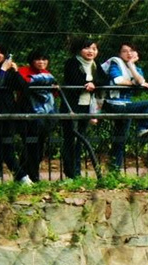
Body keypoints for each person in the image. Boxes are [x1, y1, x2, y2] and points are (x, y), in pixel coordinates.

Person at [101, 42, 148, 171]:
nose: (129, 53)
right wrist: (135, 84)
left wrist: (131, 65)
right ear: (119, 54)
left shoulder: (135, 68)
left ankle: (114, 170)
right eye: (125, 51)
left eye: (131, 50)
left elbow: (140, 80)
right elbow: (118, 81)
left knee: (121, 138)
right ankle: (142, 128)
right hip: (114, 104)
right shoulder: (115, 64)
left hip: (126, 104)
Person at [0, 42, 29, 184]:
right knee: (3, 145)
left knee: (1, 144)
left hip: (7, 113)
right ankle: (21, 177)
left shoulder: (8, 70)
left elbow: (23, 87)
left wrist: (14, 71)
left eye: (0, 52)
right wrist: (2, 69)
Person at [61, 38, 108, 179]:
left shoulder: (95, 64)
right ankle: (69, 173)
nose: (90, 51)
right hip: (72, 106)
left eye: (94, 48)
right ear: (80, 49)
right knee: (70, 139)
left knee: (81, 139)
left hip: (88, 106)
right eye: (87, 48)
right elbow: (73, 79)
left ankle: (76, 171)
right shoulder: (72, 63)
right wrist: (86, 84)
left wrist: (93, 83)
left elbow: (104, 79)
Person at [18, 49, 57, 182]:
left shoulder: (48, 74)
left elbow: (53, 94)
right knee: (30, 145)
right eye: (38, 59)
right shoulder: (23, 71)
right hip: (28, 112)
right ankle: (28, 175)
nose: (41, 62)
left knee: (39, 146)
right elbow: (23, 86)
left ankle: (29, 174)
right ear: (32, 61)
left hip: (45, 115)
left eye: (44, 59)